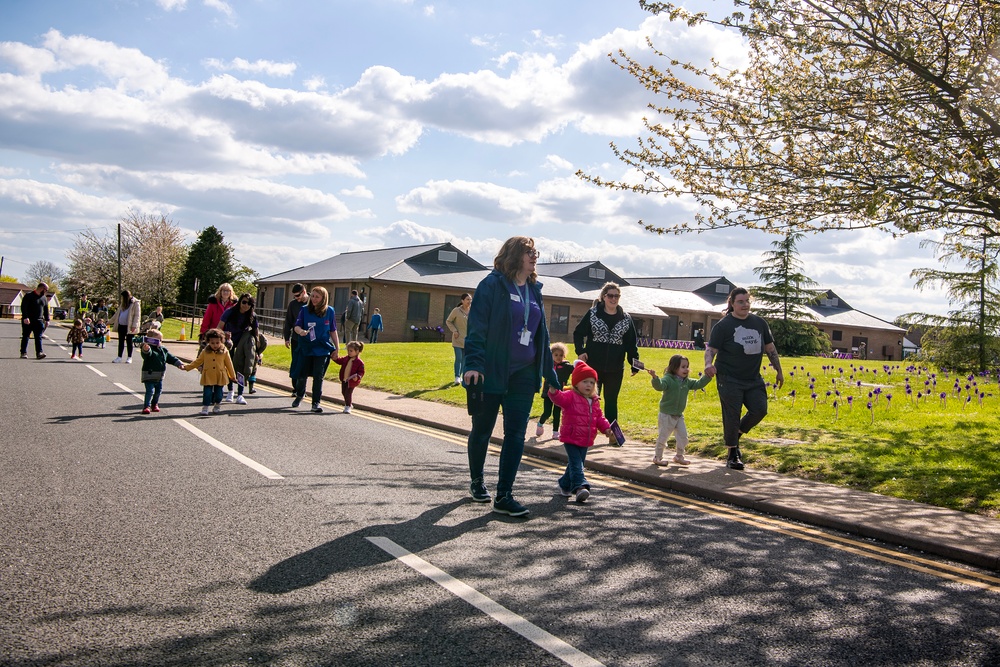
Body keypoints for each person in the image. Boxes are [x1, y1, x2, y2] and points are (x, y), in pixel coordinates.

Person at [463, 236, 559, 517]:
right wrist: (473, 364)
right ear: (514, 255)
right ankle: (477, 480)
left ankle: (504, 494)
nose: (534, 257)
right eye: (529, 252)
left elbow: (542, 333)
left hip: (524, 374)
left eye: (535, 252)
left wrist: (549, 372)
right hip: (491, 371)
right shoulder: (491, 285)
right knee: (482, 429)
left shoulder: (534, 289)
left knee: (516, 434)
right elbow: (477, 327)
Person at [704, 287, 784, 470]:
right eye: (741, 301)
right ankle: (732, 454)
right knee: (732, 415)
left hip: (753, 379)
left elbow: (770, 349)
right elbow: (711, 350)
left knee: (760, 409)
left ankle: (736, 434)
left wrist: (779, 371)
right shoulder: (723, 326)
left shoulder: (759, 323)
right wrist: (708, 365)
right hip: (729, 378)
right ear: (732, 303)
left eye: (747, 301)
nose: (745, 305)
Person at [573, 282, 640, 435]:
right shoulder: (593, 314)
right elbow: (578, 333)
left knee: (611, 402)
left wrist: (634, 363)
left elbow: (631, 343)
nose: (613, 299)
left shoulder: (626, 318)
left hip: (615, 367)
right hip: (593, 367)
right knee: (590, 399)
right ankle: (584, 431)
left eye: (616, 296)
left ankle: (614, 435)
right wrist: (580, 351)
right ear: (603, 297)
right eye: (610, 295)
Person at [547, 362, 613, 503]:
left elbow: (599, 417)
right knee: (577, 465)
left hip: (586, 439)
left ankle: (564, 485)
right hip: (570, 437)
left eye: (592, 382)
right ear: (576, 383)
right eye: (585, 382)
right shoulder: (570, 395)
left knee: (575, 465)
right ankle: (580, 487)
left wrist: (606, 428)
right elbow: (560, 399)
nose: (588, 385)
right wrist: (553, 392)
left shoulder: (594, 400)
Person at [648, 354, 713, 466]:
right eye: (683, 367)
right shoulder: (668, 379)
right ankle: (657, 457)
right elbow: (660, 386)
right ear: (674, 367)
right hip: (666, 415)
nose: (686, 369)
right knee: (663, 437)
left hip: (678, 415)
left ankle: (679, 456)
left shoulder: (687, 382)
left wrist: (708, 376)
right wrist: (655, 378)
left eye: (687, 366)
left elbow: (699, 384)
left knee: (683, 437)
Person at [292, 286, 340, 413]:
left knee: (318, 376)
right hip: (307, 346)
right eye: (312, 296)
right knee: (302, 375)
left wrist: (337, 348)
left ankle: (316, 403)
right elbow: (296, 326)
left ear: (323, 298)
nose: (314, 299)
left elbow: (333, 330)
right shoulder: (304, 310)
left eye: (317, 297)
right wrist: (301, 331)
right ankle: (300, 394)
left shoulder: (329, 311)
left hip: (322, 347)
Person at [182, 328, 237, 416]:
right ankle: (205, 408)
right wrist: (187, 367)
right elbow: (197, 362)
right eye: (212, 343)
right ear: (208, 342)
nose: (215, 345)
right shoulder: (205, 352)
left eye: (217, 343)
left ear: (221, 341)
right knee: (207, 393)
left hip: (220, 376)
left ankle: (217, 405)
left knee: (219, 394)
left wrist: (232, 376)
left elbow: (229, 364)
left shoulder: (224, 352)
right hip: (208, 375)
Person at [220, 293, 259, 404]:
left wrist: (257, 350)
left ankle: (240, 394)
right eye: (244, 302)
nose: (246, 305)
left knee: (241, 367)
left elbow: (256, 332)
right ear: (240, 302)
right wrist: (224, 334)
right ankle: (230, 390)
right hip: (229, 342)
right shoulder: (230, 312)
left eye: (249, 304)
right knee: (229, 366)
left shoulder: (252, 315)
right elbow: (219, 327)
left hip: (243, 343)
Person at [138, 327, 184, 414]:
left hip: (159, 376)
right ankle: (146, 406)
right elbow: (147, 354)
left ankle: (154, 404)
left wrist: (179, 364)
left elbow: (171, 358)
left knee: (158, 391)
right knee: (150, 391)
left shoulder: (163, 350)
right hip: (149, 375)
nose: (160, 342)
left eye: (161, 340)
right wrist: (146, 349)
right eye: (158, 340)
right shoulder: (149, 349)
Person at [535, 342, 574, 438]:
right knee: (547, 412)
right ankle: (540, 423)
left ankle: (555, 432)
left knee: (557, 413)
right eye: (556, 355)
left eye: (561, 355)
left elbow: (577, 370)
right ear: (551, 355)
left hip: (560, 394)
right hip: (548, 393)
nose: (558, 357)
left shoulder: (566, 366)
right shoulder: (548, 366)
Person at [283, 284, 310, 399]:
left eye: (298, 295)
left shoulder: (311, 303)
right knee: (296, 363)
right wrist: (286, 337)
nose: (297, 298)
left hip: (309, 339)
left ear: (304, 291)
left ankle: (302, 389)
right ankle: (296, 389)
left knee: (306, 364)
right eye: (294, 296)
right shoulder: (293, 304)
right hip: (296, 339)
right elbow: (288, 321)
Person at [200, 283, 237, 348]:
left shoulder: (234, 305)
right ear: (220, 291)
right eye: (224, 290)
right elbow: (206, 319)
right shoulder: (213, 303)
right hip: (213, 333)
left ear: (231, 292)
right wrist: (203, 333)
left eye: (228, 291)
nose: (226, 292)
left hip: (227, 334)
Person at [333, 340, 365, 413]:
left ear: (357, 351)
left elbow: (361, 372)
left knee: (348, 393)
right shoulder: (346, 358)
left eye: (351, 351)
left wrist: (358, 377)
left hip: (352, 381)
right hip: (344, 379)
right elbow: (340, 361)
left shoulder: (359, 362)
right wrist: (335, 359)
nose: (349, 352)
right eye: (348, 350)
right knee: (343, 392)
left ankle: (348, 406)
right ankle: (349, 403)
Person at [445, 293, 471, 385]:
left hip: (467, 339)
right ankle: (457, 376)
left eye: (470, 299)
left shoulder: (472, 311)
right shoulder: (456, 310)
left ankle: (462, 377)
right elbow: (448, 321)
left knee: (465, 359)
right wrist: (454, 331)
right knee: (459, 358)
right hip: (457, 338)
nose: (469, 301)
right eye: (467, 299)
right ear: (462, 301)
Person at [19, 282, 50, 360]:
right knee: (26, 336)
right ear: (41, 288)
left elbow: (46, 309)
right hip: (28, 320)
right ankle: (23, 352)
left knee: (38, 337)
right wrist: (25, 317)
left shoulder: (44, 298)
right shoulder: (29, 296)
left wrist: (47, 319)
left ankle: (39, 353)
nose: (46, 291)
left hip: (39, 320)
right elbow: (24, 307)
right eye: (45, 290)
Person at [112, 290, 142, 364]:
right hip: (121, 325)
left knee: (129, 341)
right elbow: (117, 314)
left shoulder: (135, 303)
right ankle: (119, 357)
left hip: (129, 326)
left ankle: (129, 357)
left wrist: (134, 325)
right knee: (121, 341)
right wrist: (109, 322)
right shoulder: (123, 304)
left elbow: (137, 316)